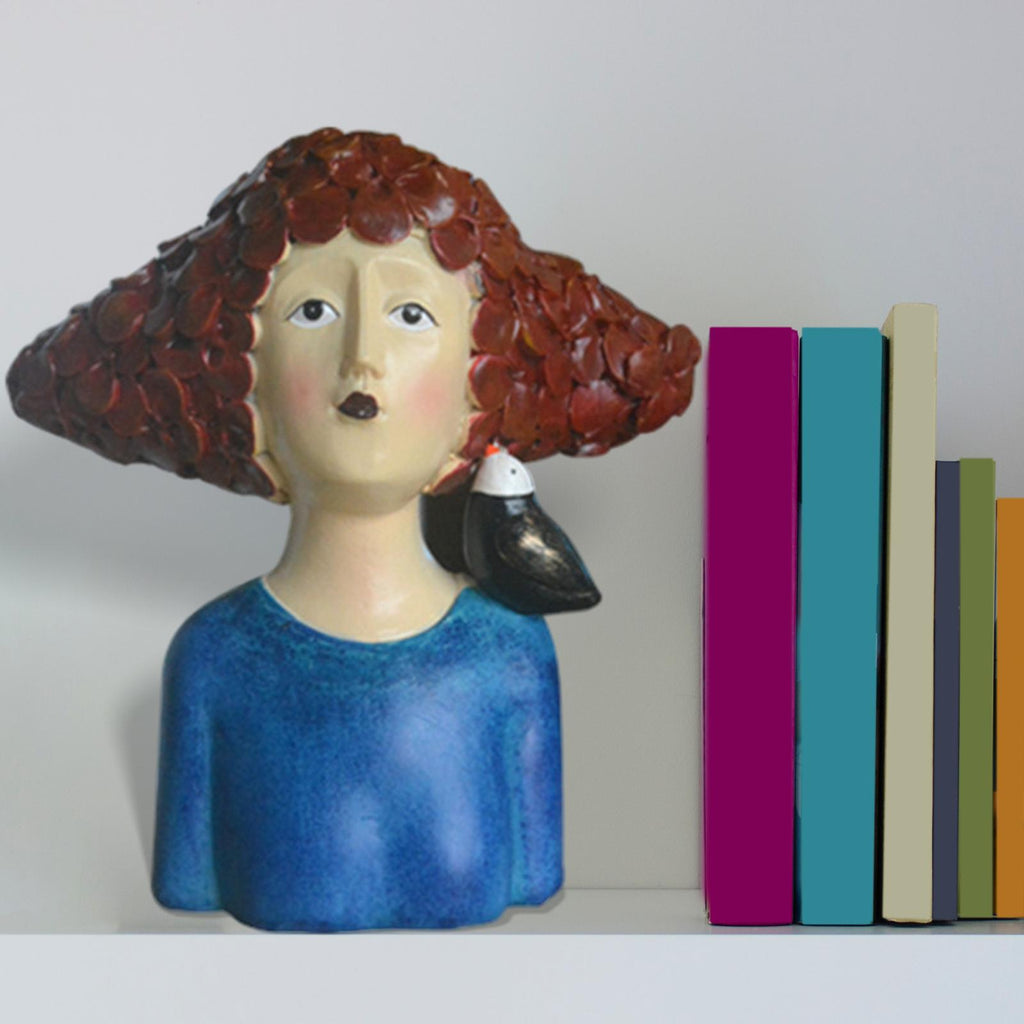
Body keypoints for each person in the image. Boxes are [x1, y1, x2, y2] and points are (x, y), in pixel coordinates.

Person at [6, 128, 701, 931]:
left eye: (410, 313)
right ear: (244, 384)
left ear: (478, 388)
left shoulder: (509, 656)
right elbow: (187, 885)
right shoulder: (214, 657)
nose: (362, 356)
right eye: (314, 310)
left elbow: (535, 876)